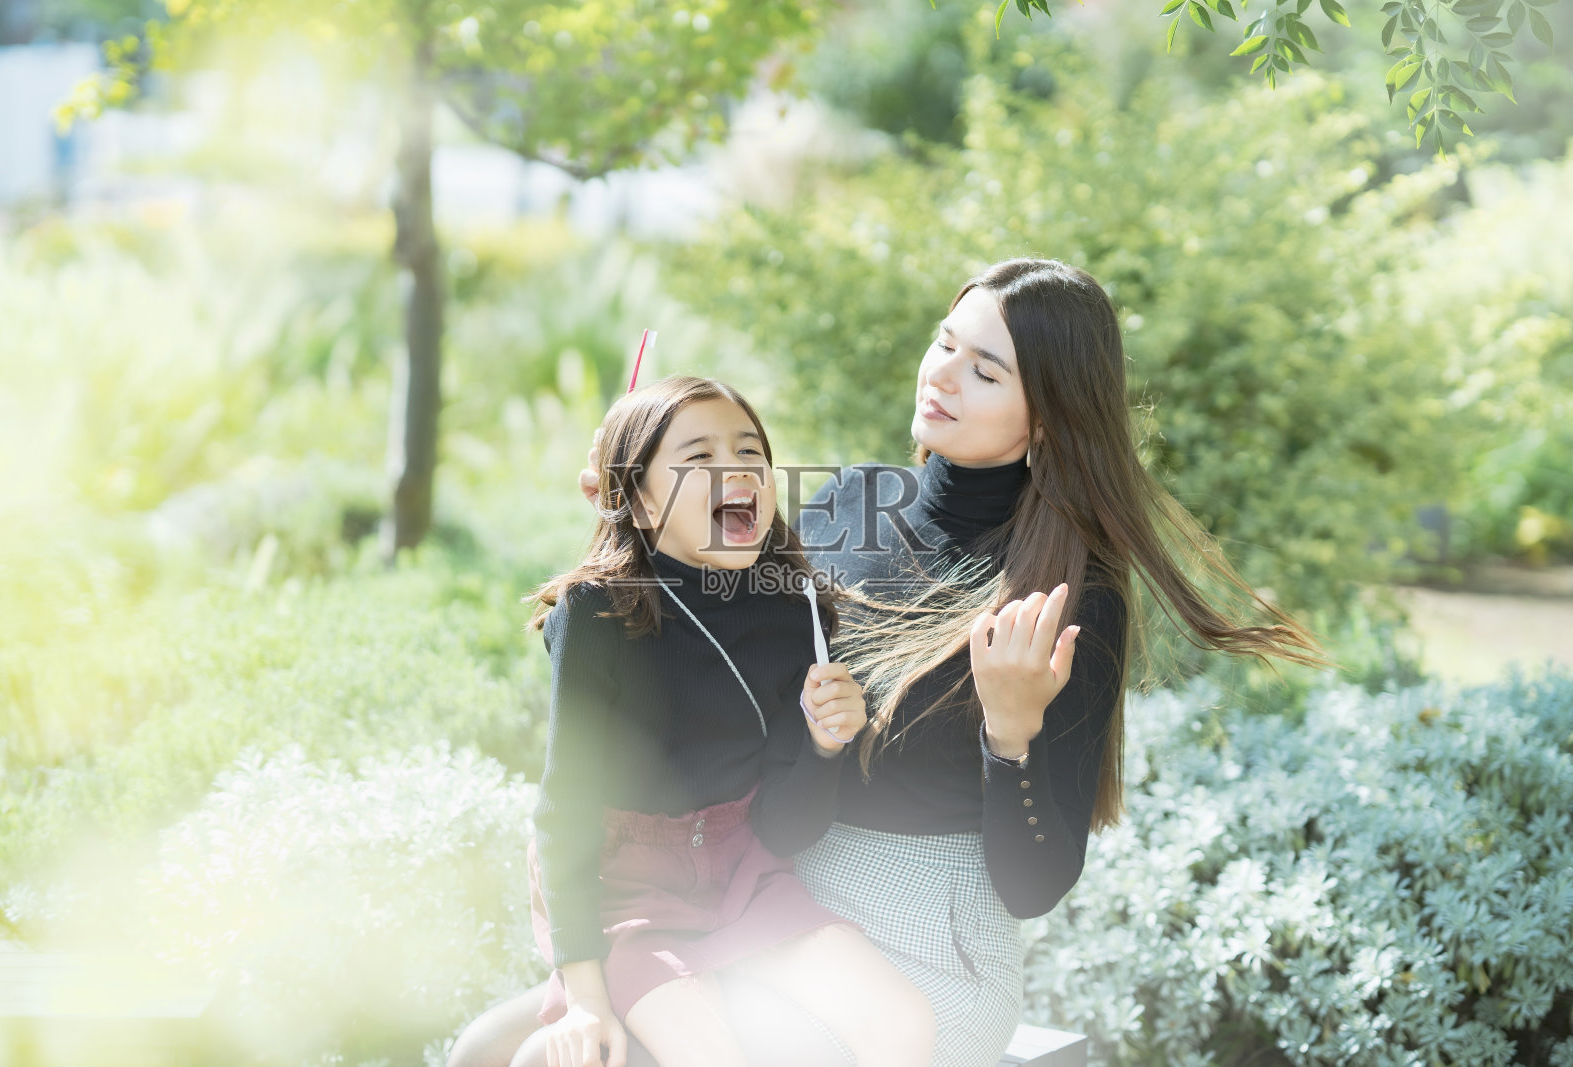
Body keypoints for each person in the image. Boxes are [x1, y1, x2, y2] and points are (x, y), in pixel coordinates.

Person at [459, 257, 1321, 1067]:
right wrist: (627, 488)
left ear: (1050, 417)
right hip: (759, 880)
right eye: (945, 343)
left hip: (921, 938)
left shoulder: (1065, 593)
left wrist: (1010, 733)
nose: (942, 376)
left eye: (985, 371)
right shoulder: (849, 503)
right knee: (484, 1049)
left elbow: (1034, 884)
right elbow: (688, 618)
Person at [458, 375, 935, 1067]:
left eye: (749, 451)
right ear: (643, 502)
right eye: (699, 457)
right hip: (631, 896)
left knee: (903, 1019)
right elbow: (565, 812)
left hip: (748, 878)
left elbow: (785, 829)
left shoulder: (795, 611)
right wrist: (587, 994)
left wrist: (824, 745)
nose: (734, 470)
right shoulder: (597, 616)